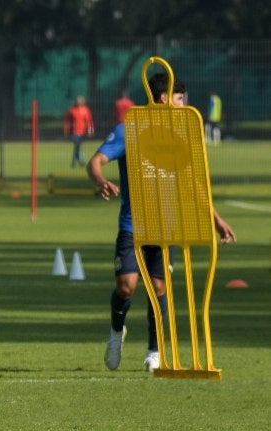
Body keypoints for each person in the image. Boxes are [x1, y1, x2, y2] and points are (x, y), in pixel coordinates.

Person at [86, 73, 236, 372]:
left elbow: (192, 183)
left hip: (164, 226)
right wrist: (101, 180)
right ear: (165, 98)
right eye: (181, 99)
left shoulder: (176, 138)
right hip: (132, 225)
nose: (185, 105)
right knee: (126, 287)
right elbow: (95, 161)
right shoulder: (130, 129)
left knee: (158, 288)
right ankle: (117, 332)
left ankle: (154, 351)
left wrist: (216, 219)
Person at [64, 95, 95, 167]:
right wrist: (66, 130)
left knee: (78, 146)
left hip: (83, 132)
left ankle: (74, 162)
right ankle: (80, 160)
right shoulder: (71, 110)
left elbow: (89, 121)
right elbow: (67, 121)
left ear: (82, 101)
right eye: (77, 100)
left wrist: (90, 130)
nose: (78, 101)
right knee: (77, 145)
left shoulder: (85, 110)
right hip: (74, 132)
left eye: (80, 100)